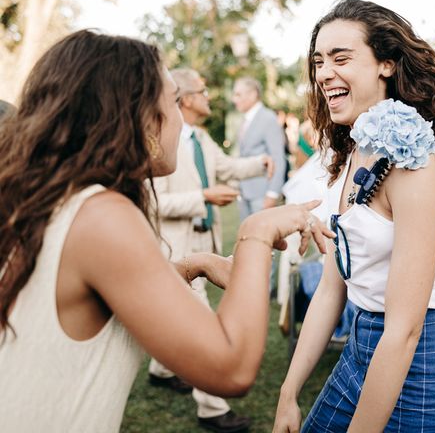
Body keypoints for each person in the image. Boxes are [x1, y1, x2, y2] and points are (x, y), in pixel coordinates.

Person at [0, 30, 333, 432]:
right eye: (174, 100)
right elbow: (230, 367)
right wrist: (257, 234)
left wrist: (195, 264)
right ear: (138, 115)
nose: (180, 117)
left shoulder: (59, 200)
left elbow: (109, 291)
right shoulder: (100, 215)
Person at [273, 0, 435, 432]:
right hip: (364, 339)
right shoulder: (349, 148)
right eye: (318, 61)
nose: (324, 73)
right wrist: (287, 394)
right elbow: (332, 289)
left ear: (386, 63)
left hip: (428, 353)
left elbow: (405, 328)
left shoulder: (417, 160)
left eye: (340, 58)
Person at [149, 68, 274, 432]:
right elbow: (156, 202)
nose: (209, 98)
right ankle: (213, 410)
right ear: (185, 99)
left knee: (176, 318)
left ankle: (160, 370)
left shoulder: (201, 139)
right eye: (203, 91)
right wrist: (202, 197)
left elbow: (227, 167)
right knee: (203, 327)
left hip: (208, 239)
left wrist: (259, 163)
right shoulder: (160, 141)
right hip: (179, 251)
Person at [232, 77, 287, 220]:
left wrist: (272, 193)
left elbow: (278, 157)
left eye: (238, 94)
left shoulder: (268, 118)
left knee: (265, 240)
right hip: (244, 192)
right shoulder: (245, 120)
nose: (234, 99)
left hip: (262, 194)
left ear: (252, 94)